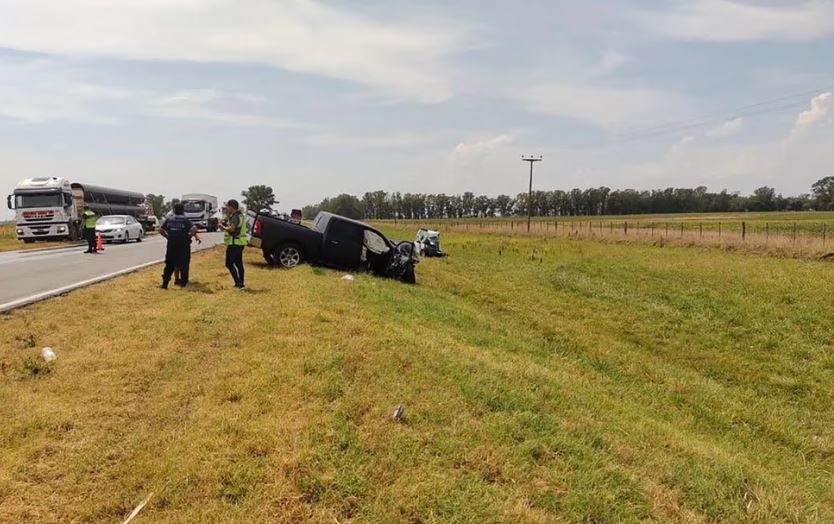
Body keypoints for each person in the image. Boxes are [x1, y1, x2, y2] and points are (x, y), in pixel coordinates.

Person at [159, 203, 199, 289]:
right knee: (184, 265)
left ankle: (165, 284)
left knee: (169, 265)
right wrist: (189, 236)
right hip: (183, 246)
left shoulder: (169, 219)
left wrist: (167, 237)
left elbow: (161, 230)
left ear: (174, 210)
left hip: (171, 246)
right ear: (183, 210)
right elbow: (194, 229)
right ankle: (183, 284)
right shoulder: (185, 220)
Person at [219, 199, 248, 288]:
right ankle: (241, 283)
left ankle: (238, 282)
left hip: (234, 243)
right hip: (240, 242)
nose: (226, 208)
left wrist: (223, 227)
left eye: (227, 206)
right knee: (239, 263)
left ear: (231, 207)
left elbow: (232, 229)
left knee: (229, 263)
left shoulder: (235, 217)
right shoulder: (240, 215)